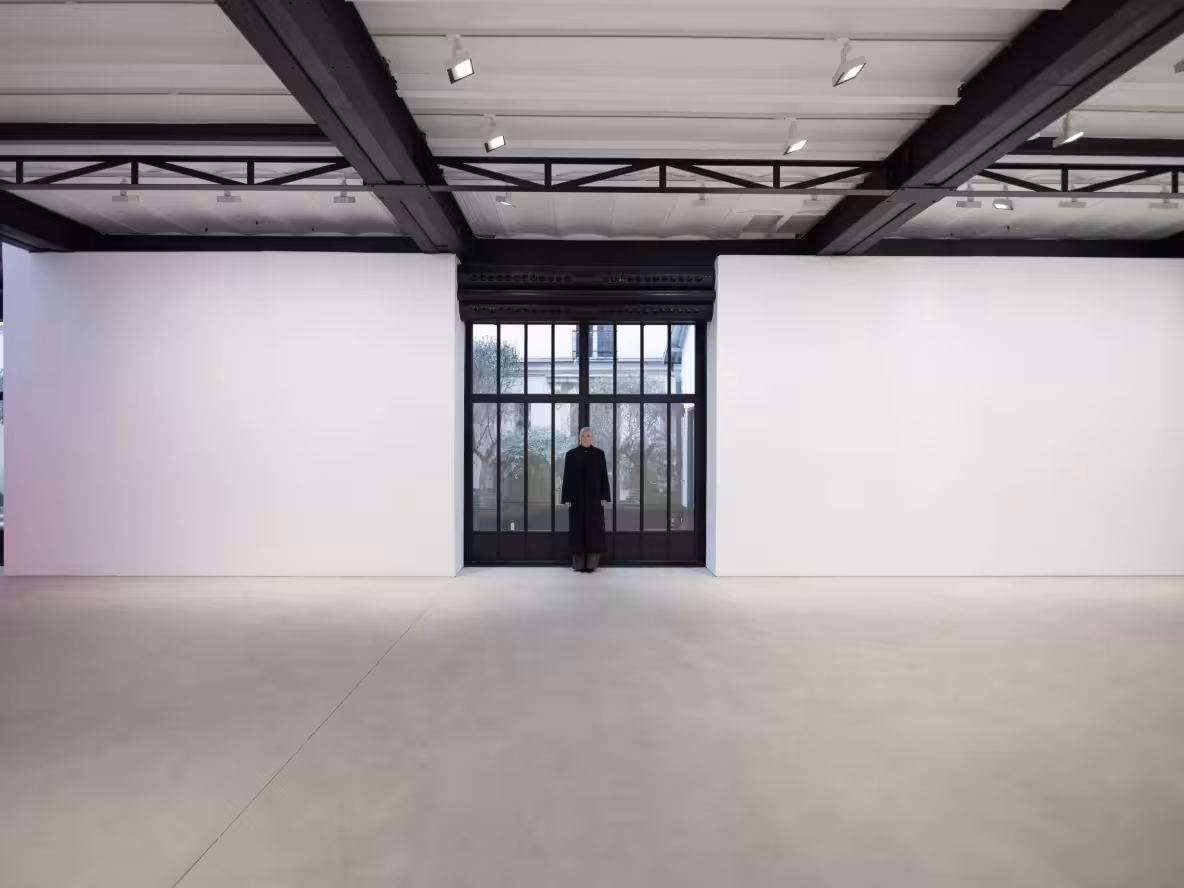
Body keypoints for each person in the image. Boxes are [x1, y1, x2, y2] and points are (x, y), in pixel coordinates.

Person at [561, 426, 611, 572]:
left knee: (594, 530)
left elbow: (603, 476)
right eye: (583, 436)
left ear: (592, 437)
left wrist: (604, 496)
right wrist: (567, 498)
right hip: (576, 499)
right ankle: (578, 564)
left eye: (588, 435)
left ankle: (591, 564)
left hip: (594, 499)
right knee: (577, 529)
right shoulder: (571, 455)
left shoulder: (599, 454)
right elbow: (567, 478)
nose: (586, 438)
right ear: (579, 437)